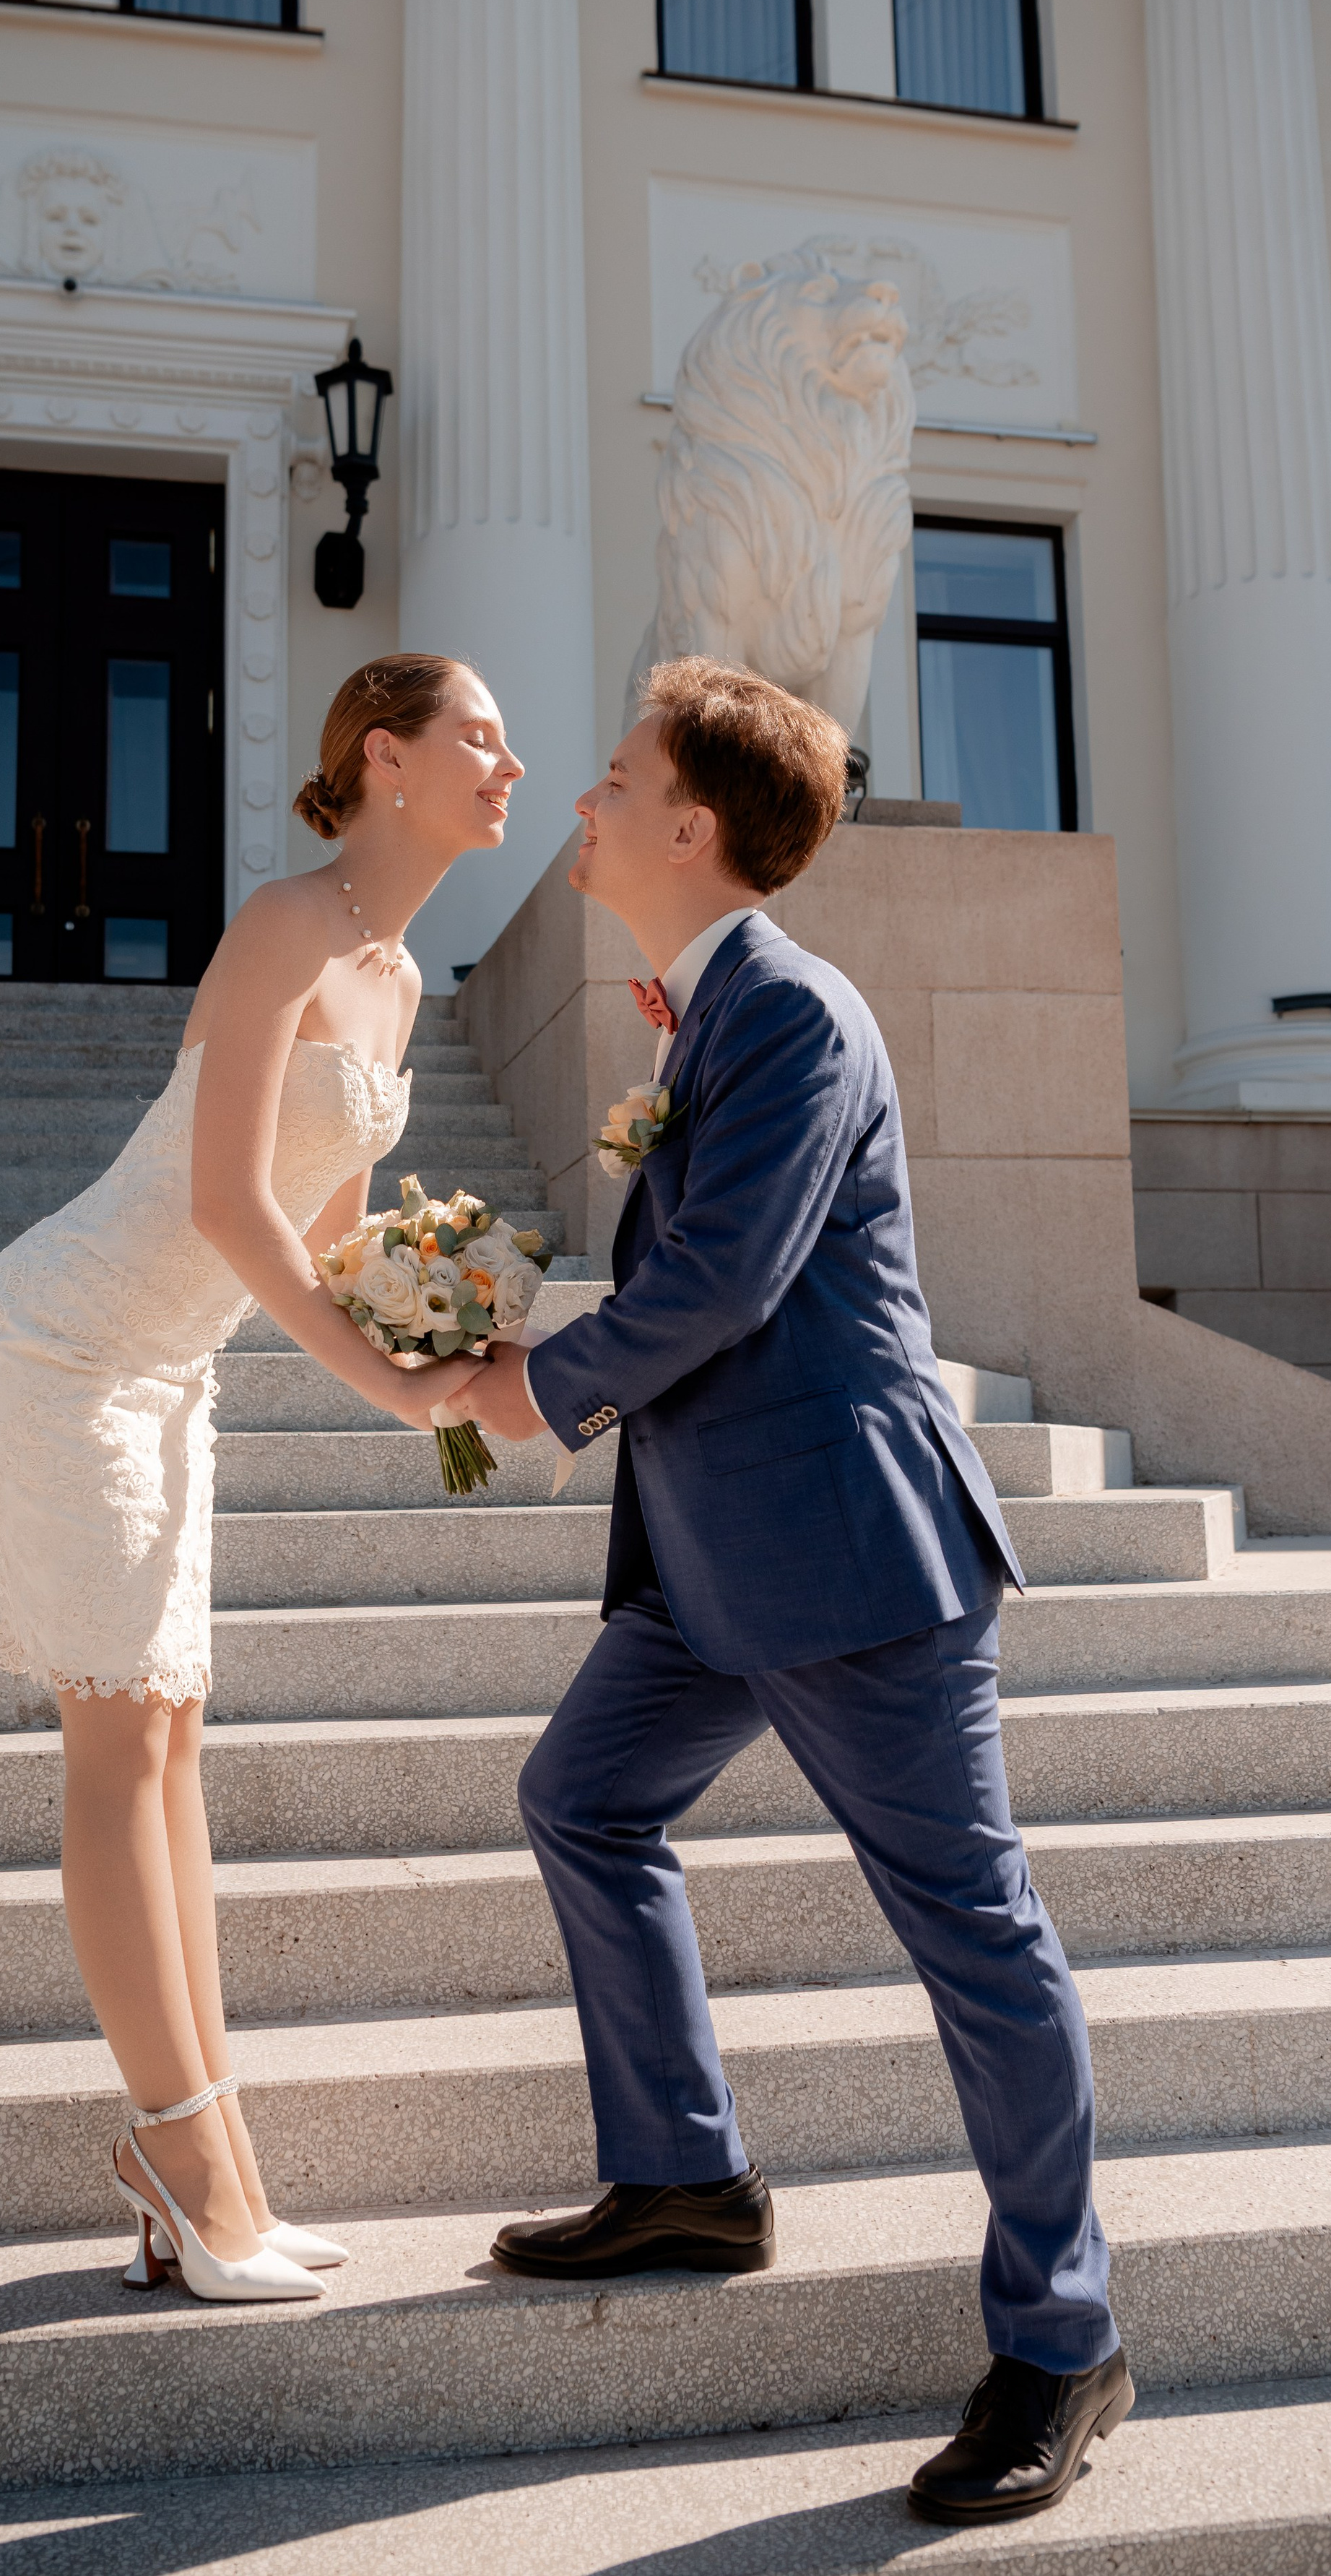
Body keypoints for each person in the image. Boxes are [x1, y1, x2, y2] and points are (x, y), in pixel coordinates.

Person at [441, 655, 1130, 2525]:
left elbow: (724, 1282)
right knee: (579, 1796)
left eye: (611, 776)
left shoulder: (801, 1017)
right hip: (716, 1559)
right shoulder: (688, 1025)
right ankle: (685, 2173)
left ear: (693, 821)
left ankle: (1066, 2341)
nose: (580, 803)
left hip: (852, 1555)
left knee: (975, 1934)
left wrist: (530, 1382)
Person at [0, 654, 521, 2304]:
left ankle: (215, 2166)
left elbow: (329, 1238)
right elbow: (223, 1201)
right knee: (120, 1734)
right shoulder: (288, 920)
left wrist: (456, 1311)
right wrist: (394, 1391)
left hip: (169, 1372)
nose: (507, 761)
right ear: (384, 760)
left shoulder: (403, 979)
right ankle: (188, 2162)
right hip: (66, 1345)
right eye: (476, 737)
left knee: (173, 1738)